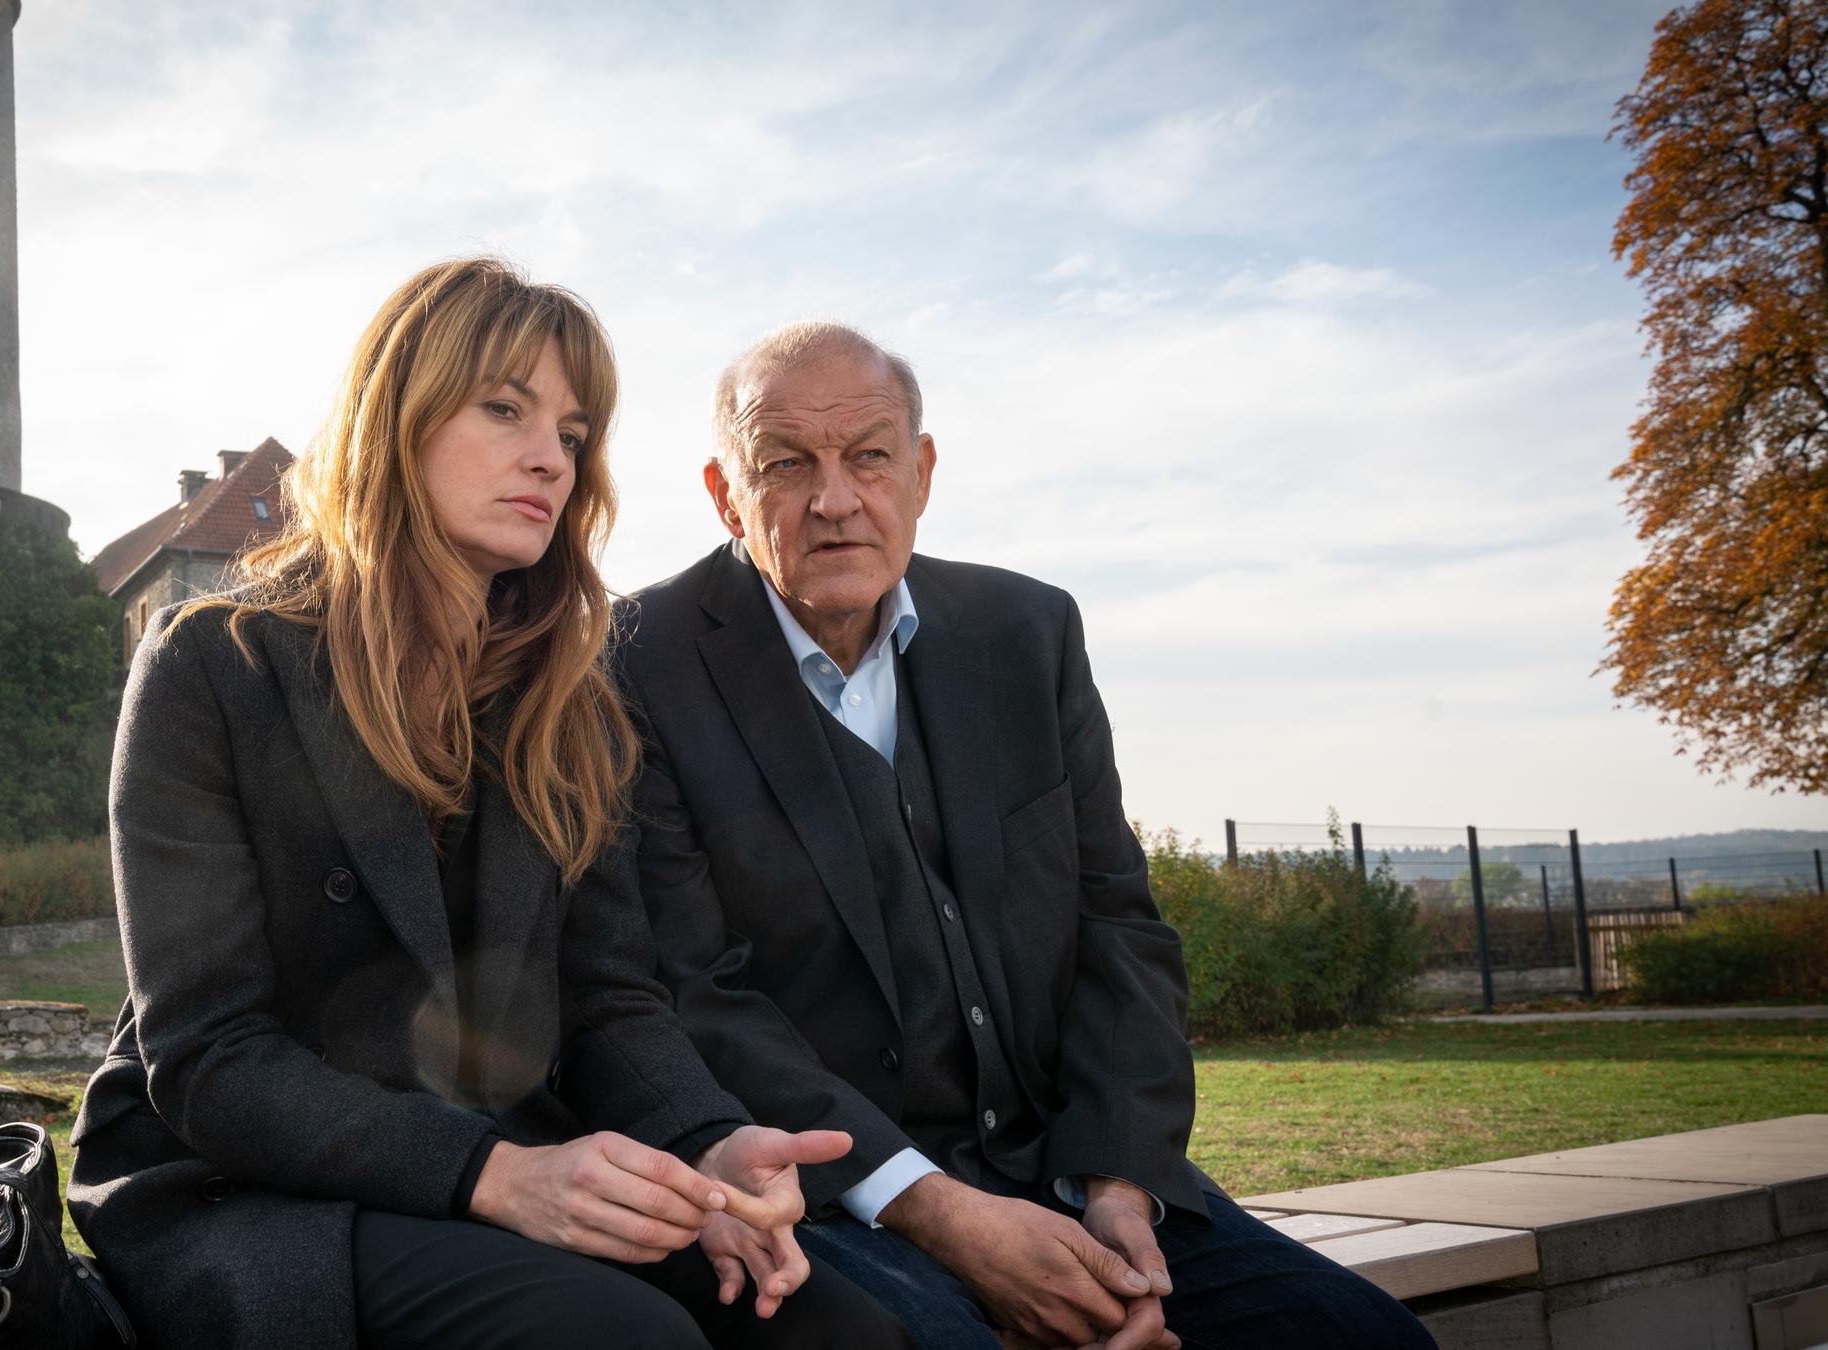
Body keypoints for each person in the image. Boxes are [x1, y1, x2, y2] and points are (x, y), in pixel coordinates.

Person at [66, 262, 911, 1350]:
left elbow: (608, 1003)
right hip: (258, 1187)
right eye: (506, 409)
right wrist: (493, 1174)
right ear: (398, 420)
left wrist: (705, 1146)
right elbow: (210, 1055)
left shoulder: (569, 699)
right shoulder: (218, 664)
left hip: (511, 1156)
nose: (550, 458)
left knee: (841, 1334)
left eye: (572, 431)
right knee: (618, 1339)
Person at [615, 322, 1438, 1350]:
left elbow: (1117, 926)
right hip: (837, 1197)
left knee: (1362, 1338)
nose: (834, 500)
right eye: (786, 464)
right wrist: (939, 1210)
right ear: (723, 493)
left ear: (921, 472)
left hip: (1071, 1168)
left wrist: (1119, 1191)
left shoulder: (1027, 631)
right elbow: (694, 989)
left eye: (869, 456)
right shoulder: (636, 665)